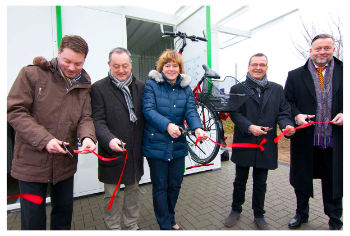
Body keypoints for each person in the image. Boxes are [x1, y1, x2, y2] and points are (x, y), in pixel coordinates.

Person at [7, 35, 96, 230]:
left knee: (63, 216)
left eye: (78, 63)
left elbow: (85, 118)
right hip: (31, 164)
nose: (72, 68)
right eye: (67, 61)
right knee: (32, 221)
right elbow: (14, 111)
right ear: (58, 53)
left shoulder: (84, 85)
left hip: (65, 163)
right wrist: (46, 140)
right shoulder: (32, 74)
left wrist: (88, 137)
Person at [224, 53, 295, 230]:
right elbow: (234, 113)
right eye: (254, 64)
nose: (258, 67)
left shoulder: (277, 89)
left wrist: (286, 126)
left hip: (266, 144)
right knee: (240, 179)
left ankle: (259, 214)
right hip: (245, 141)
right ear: (248, 67)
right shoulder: (237, 88)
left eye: (262, 65)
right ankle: (235, 209)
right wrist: (249, 127)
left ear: (267, 67)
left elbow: (283, 112)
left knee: (261, 182)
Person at [142, 49, 207, 230]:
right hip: (156, 143)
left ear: (180, 68)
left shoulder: (185, 89)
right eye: (167, 65)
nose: (171, 69)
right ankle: (165, 225)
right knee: (160, 187)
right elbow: (148, 110)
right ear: (161, 67)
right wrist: (167, 125)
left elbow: (191, 111)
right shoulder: (152, 85)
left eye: (175, 66)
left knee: (175, 185)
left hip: (177, 143)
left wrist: (197, 128)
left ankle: (170, 218)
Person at [284, 34, 343, 230]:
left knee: (334, 182)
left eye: (327, 48)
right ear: (311, 51)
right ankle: (301, 214)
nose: (322, 52)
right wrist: (297, 116)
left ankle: (335, 219)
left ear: (333, 49)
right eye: (318, 48)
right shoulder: (294, 75)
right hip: (305, 139)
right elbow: (287, 103)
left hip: (335, 141)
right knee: (302, 180)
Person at [91, 47, 145, 230]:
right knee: (111, 195)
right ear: (109, 65)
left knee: (133, 191)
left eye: (124, 66)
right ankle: (113, 228)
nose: (121, 70)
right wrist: (109, 139)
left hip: (134, 152)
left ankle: (131, 225)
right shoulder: (98, 88)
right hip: (111, 150)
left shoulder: (141, 87)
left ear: (131, 64)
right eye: (116, 67)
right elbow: (97, 120)